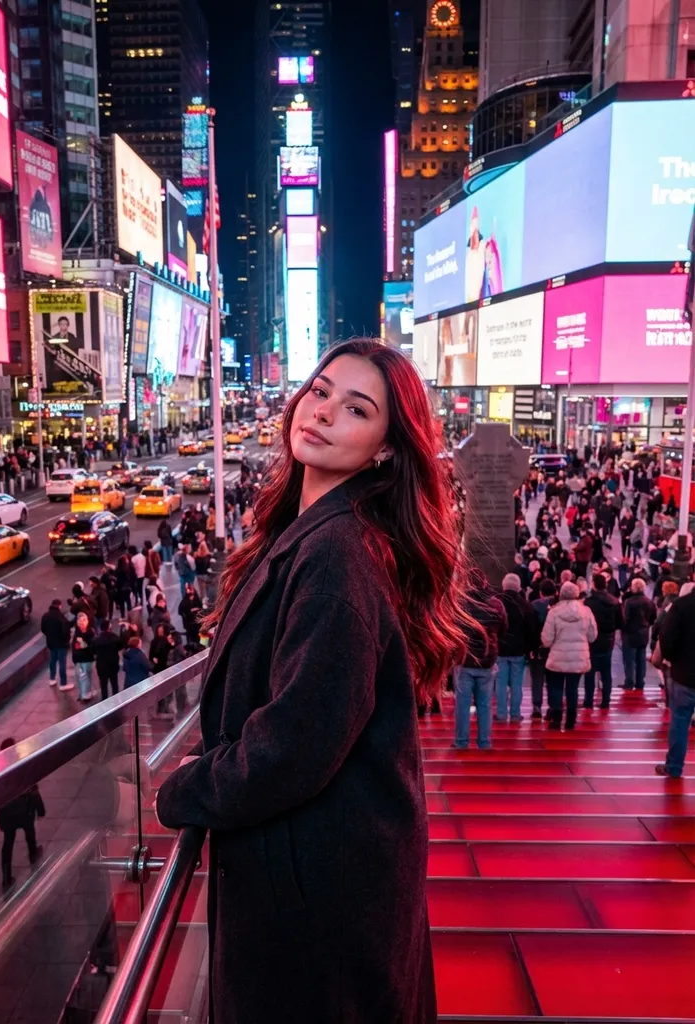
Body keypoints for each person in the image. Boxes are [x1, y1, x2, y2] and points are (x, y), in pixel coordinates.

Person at [156, 339, 479, 1022]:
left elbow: (294, 745)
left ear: (386, 449)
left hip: (318, 898)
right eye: (321, 391)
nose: (324, 411)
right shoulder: (322, 531)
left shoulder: (336, 556)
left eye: (356, 409)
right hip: (322, 875)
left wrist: (184, 787)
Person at [455, 571, 507, 749]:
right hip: (487, 659)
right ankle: (484, 742)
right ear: (485, 582)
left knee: (462, 704)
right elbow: (503, 628)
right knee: (485, 704)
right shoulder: (496, 604)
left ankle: (461, 741)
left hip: (465, 659)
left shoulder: (460, 603)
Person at [541, 581, 597, 730]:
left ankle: (556, 718)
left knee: (555, 687)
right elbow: (592, 636)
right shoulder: (586, 611)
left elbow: (546, 640)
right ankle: (571, 720)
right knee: (573, 689)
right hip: (578, 657)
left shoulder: (554, 612)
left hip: (557, 657)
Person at [657, 583, 695, 778]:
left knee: (680, 721)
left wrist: (673, 659)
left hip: (685, 673)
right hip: (684, 672)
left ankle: (674, 766)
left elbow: (667, 638)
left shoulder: (681, 605)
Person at [0, 738, 45, 889]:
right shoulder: (23, 766)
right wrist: (40, 809)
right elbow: (33, 790)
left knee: (8, 842)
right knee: (29, 831)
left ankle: (6, 877)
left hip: (6, 813)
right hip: (24, 808)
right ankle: (33, 852)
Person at [495, 573, 538, 724]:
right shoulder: (526, 606)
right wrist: (532, 648)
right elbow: (531, 631)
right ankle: (515, 714)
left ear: (504, 586)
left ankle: (501, 714)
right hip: (519, 650)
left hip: (500, 650)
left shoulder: (496, 604)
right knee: (516, 684)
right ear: (519, 587)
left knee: (500, 683)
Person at [583, 574, 623, 709]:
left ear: (594, 584)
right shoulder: (614, 601)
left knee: (590, 671)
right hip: (608, 639)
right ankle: (606, 700)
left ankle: (588, 700)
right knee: (606, 671)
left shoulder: (588, 602)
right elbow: (620, 622)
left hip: (592, 639)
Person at [621, 578, 656, 690]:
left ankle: (629, 682)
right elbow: (653, 618)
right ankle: (640, 682)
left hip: (630, 634)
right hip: (643, 633)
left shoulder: (629, 602)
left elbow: (625, 619)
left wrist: (623, 629)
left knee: (629, 660)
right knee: (641, 659)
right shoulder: (649, 602)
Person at [530, 578, 557, 719]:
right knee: (553, 679)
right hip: (555, 648)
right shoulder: (558, 606)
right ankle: (553, 706)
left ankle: (537, 706)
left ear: (540, 592)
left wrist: (531, 647)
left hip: (538, 647)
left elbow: (531, 629)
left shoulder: (534, 605)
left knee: (537, 678)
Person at [40, 598, 72, 691]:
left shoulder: (45, 616)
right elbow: (66, 630)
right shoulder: (60, 617)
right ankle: (63, 683)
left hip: (51, 642)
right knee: (62, 663)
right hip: (61, 643)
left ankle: (52, 679)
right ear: (59, 606)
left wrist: (50, 636)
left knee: (53, 661)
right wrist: (67, 640)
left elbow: (43, 629)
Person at [71, 611, 96, 702]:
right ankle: (83, 693)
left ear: (87, 621)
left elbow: (91, 646)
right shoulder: (77, 633)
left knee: (85, 676)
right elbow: (74, 646)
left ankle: (85, 694)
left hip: (87, 658)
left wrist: (82, 643)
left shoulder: (90, 633)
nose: (82, 622)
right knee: (81, 677)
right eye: (80, 621)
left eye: (84, 620)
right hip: (78, 659)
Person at [94, 619, 122, 700]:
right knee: (114, 683)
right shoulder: (114, 637)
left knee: (103, 684)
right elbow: (120, 645)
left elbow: (93, 650)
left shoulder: (97, 639)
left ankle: (105, 699)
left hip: (101, 665)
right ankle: (116, 699)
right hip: (113, 664)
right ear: (109, 626)